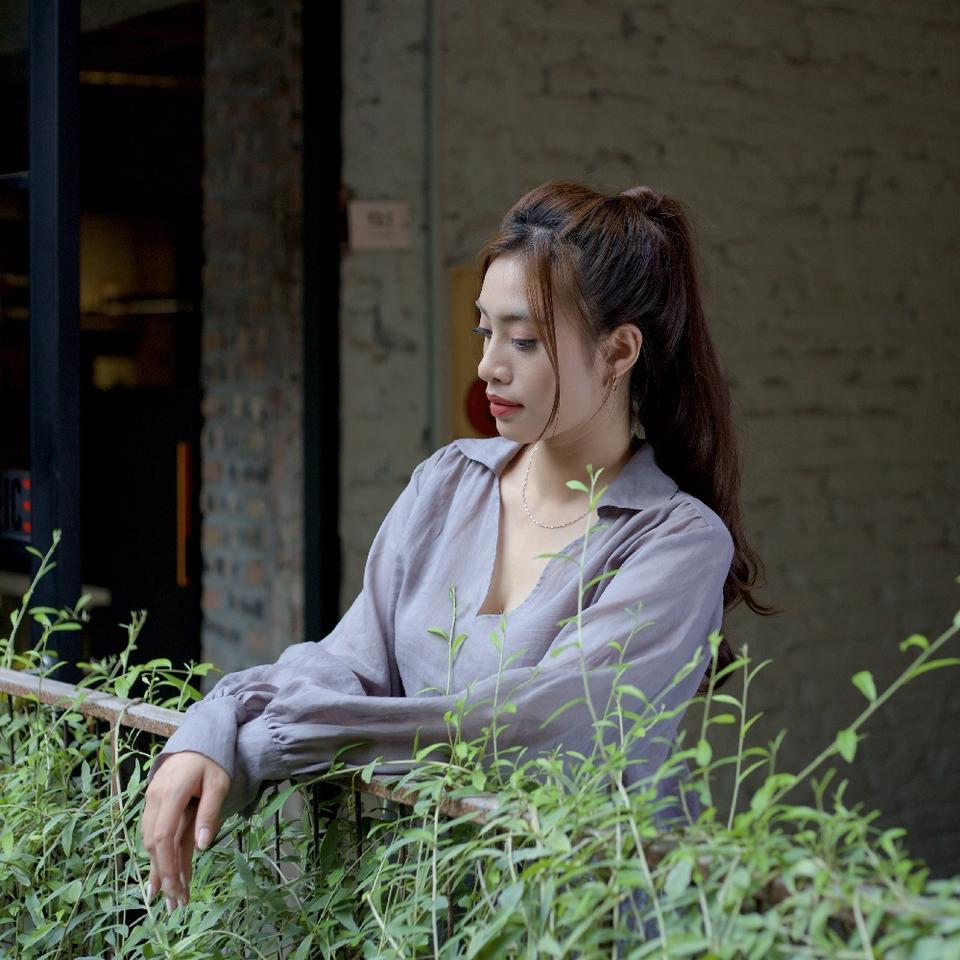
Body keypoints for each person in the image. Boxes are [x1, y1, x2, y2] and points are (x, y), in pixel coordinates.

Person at [140, 180, 772, 913]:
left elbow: (538, 733)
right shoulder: (448, 482)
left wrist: (263, 744)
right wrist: (216, 721)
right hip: (413, 914)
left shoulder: (676, 541)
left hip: (578, 920)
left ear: (619, 350)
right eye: (484, 332)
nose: (489, 367)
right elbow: (353, 662)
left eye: (524, 340)